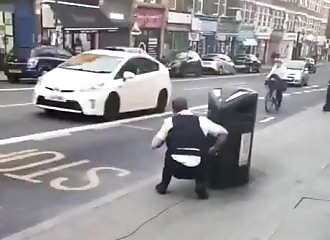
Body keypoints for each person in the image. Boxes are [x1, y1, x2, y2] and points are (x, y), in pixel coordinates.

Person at [151, 98, 228, 200]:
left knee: (169, 154)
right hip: (197, 169)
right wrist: (214, 148)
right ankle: (200, 185)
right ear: (187, 107)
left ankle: (163, 185)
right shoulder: (202, 121)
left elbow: (154, 145)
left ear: (173, 109)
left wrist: (165, 140)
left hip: (176, 168)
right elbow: (224, 133)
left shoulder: (169, 122)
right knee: (204, 154)